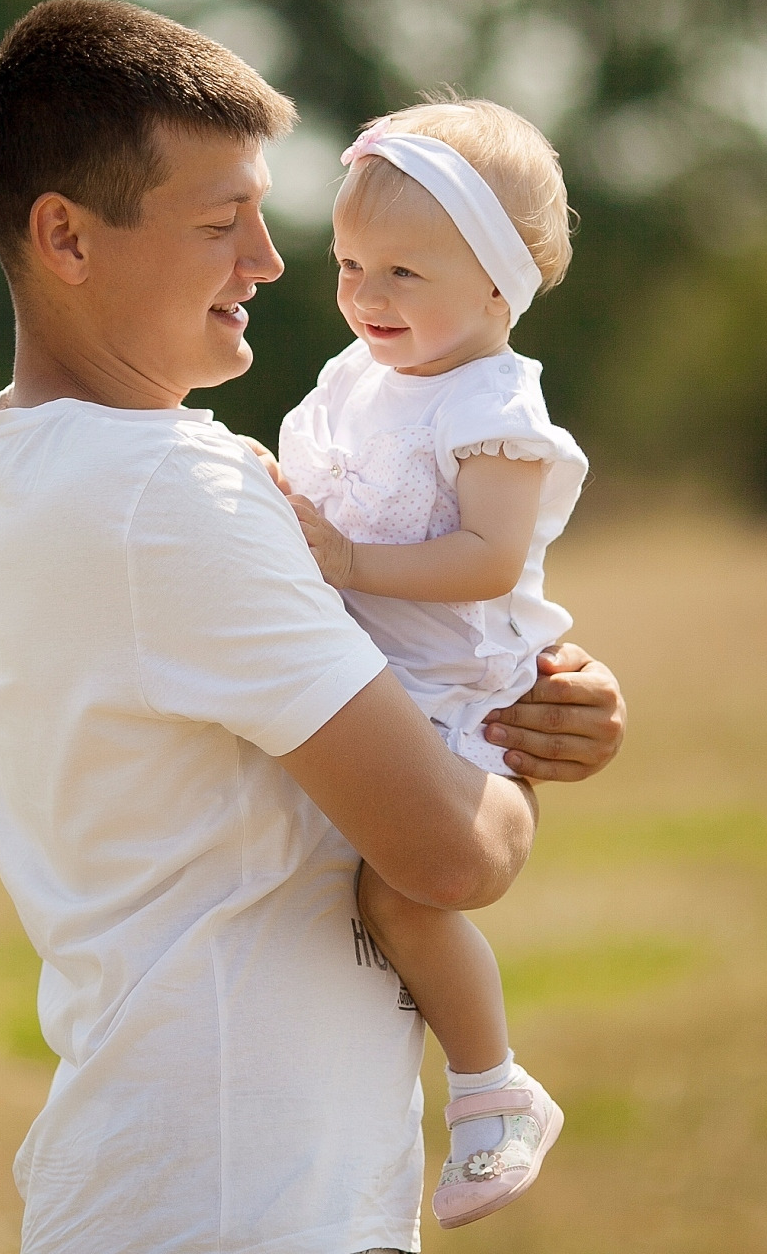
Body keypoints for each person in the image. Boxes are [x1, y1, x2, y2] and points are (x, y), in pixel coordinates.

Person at [0, 0, 626, 1254]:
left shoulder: (30, 460)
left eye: (265, 217)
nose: (269, 261)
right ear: (66, 237)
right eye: (222, 223)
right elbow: (447, 858)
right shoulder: (171, 495)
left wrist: (527, 687)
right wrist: (519, 754)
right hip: (244, 1200)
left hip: (179, 1173)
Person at [248, 99, 585, 1229]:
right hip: (368, 666)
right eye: (349, 264)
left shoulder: (495, 404)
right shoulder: (358, 371)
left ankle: (494, 1085)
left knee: (400, 884)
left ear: (501, 282)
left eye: (402, 269)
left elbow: (488, 559)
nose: (364, 295)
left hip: (453, 686)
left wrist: (348, 558)